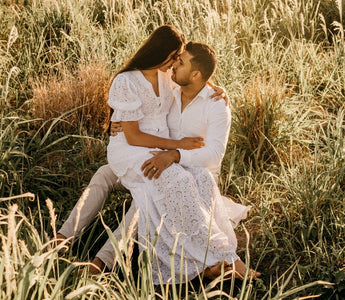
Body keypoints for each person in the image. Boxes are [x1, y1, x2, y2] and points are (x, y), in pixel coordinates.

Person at [58, 27, 260, 282]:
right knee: (106, 175)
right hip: (144, 153)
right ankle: (63, 238)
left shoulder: (202, 98)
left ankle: (101, 262)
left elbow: (212, 154)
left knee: (149, 194)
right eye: (175, 57)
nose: (175, 64)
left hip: (175, 163)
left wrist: (214, 88)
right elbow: (135, 126)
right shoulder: (164, 80)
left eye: (180, 60)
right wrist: (173, 144)